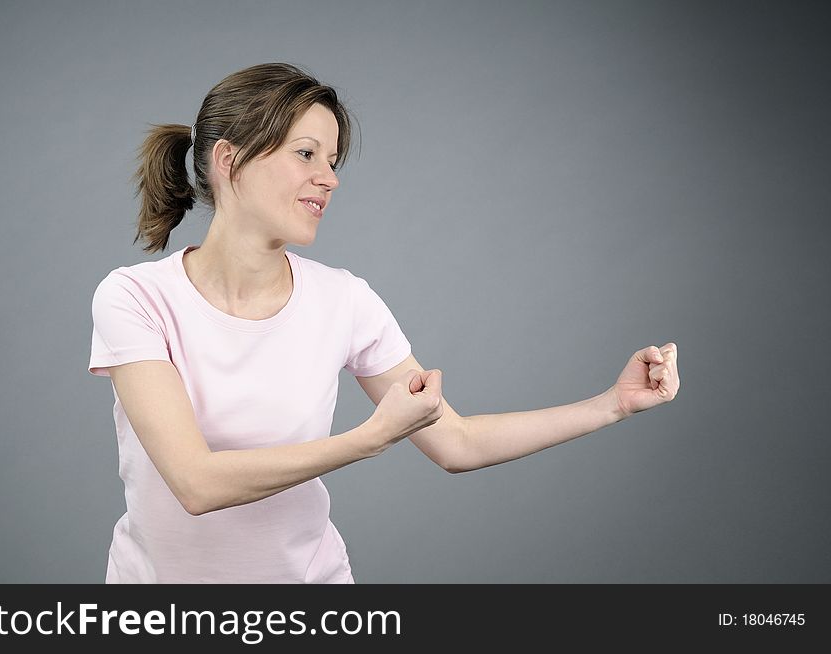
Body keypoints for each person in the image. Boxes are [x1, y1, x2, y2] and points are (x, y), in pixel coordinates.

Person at [87, 62, 681, 584]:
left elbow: (457, 443)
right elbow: (196, 483)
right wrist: (369, 439)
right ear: (230, 159)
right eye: (306, 154)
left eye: (333, 160)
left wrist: (613, 404)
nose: (329, 177)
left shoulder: (344, 299)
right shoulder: (135, 297)